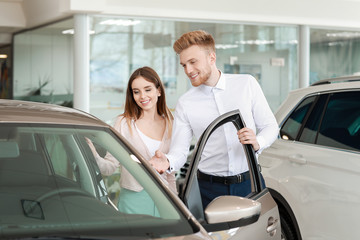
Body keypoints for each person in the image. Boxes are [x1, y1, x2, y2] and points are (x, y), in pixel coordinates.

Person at [150, 30, 279, 209]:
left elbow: (271, 126)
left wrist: (258, 141)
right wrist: (168, 162)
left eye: (193, 62)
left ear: (212, 57)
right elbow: (180, 151)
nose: (188, 70)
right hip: (208, 190)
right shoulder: (185, 103)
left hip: (250, 184)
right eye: (184, 65)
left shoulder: (246, 84)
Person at [88, 66, 176, 216]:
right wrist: (92, 152)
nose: (142, 96)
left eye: (148, 89)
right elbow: (109, 167)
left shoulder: (171, 124)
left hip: (166, 201)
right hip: (134, 201)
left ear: (159, 91)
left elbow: (170, 172)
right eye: (136, 91)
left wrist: (176, 204)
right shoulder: (124, 123)